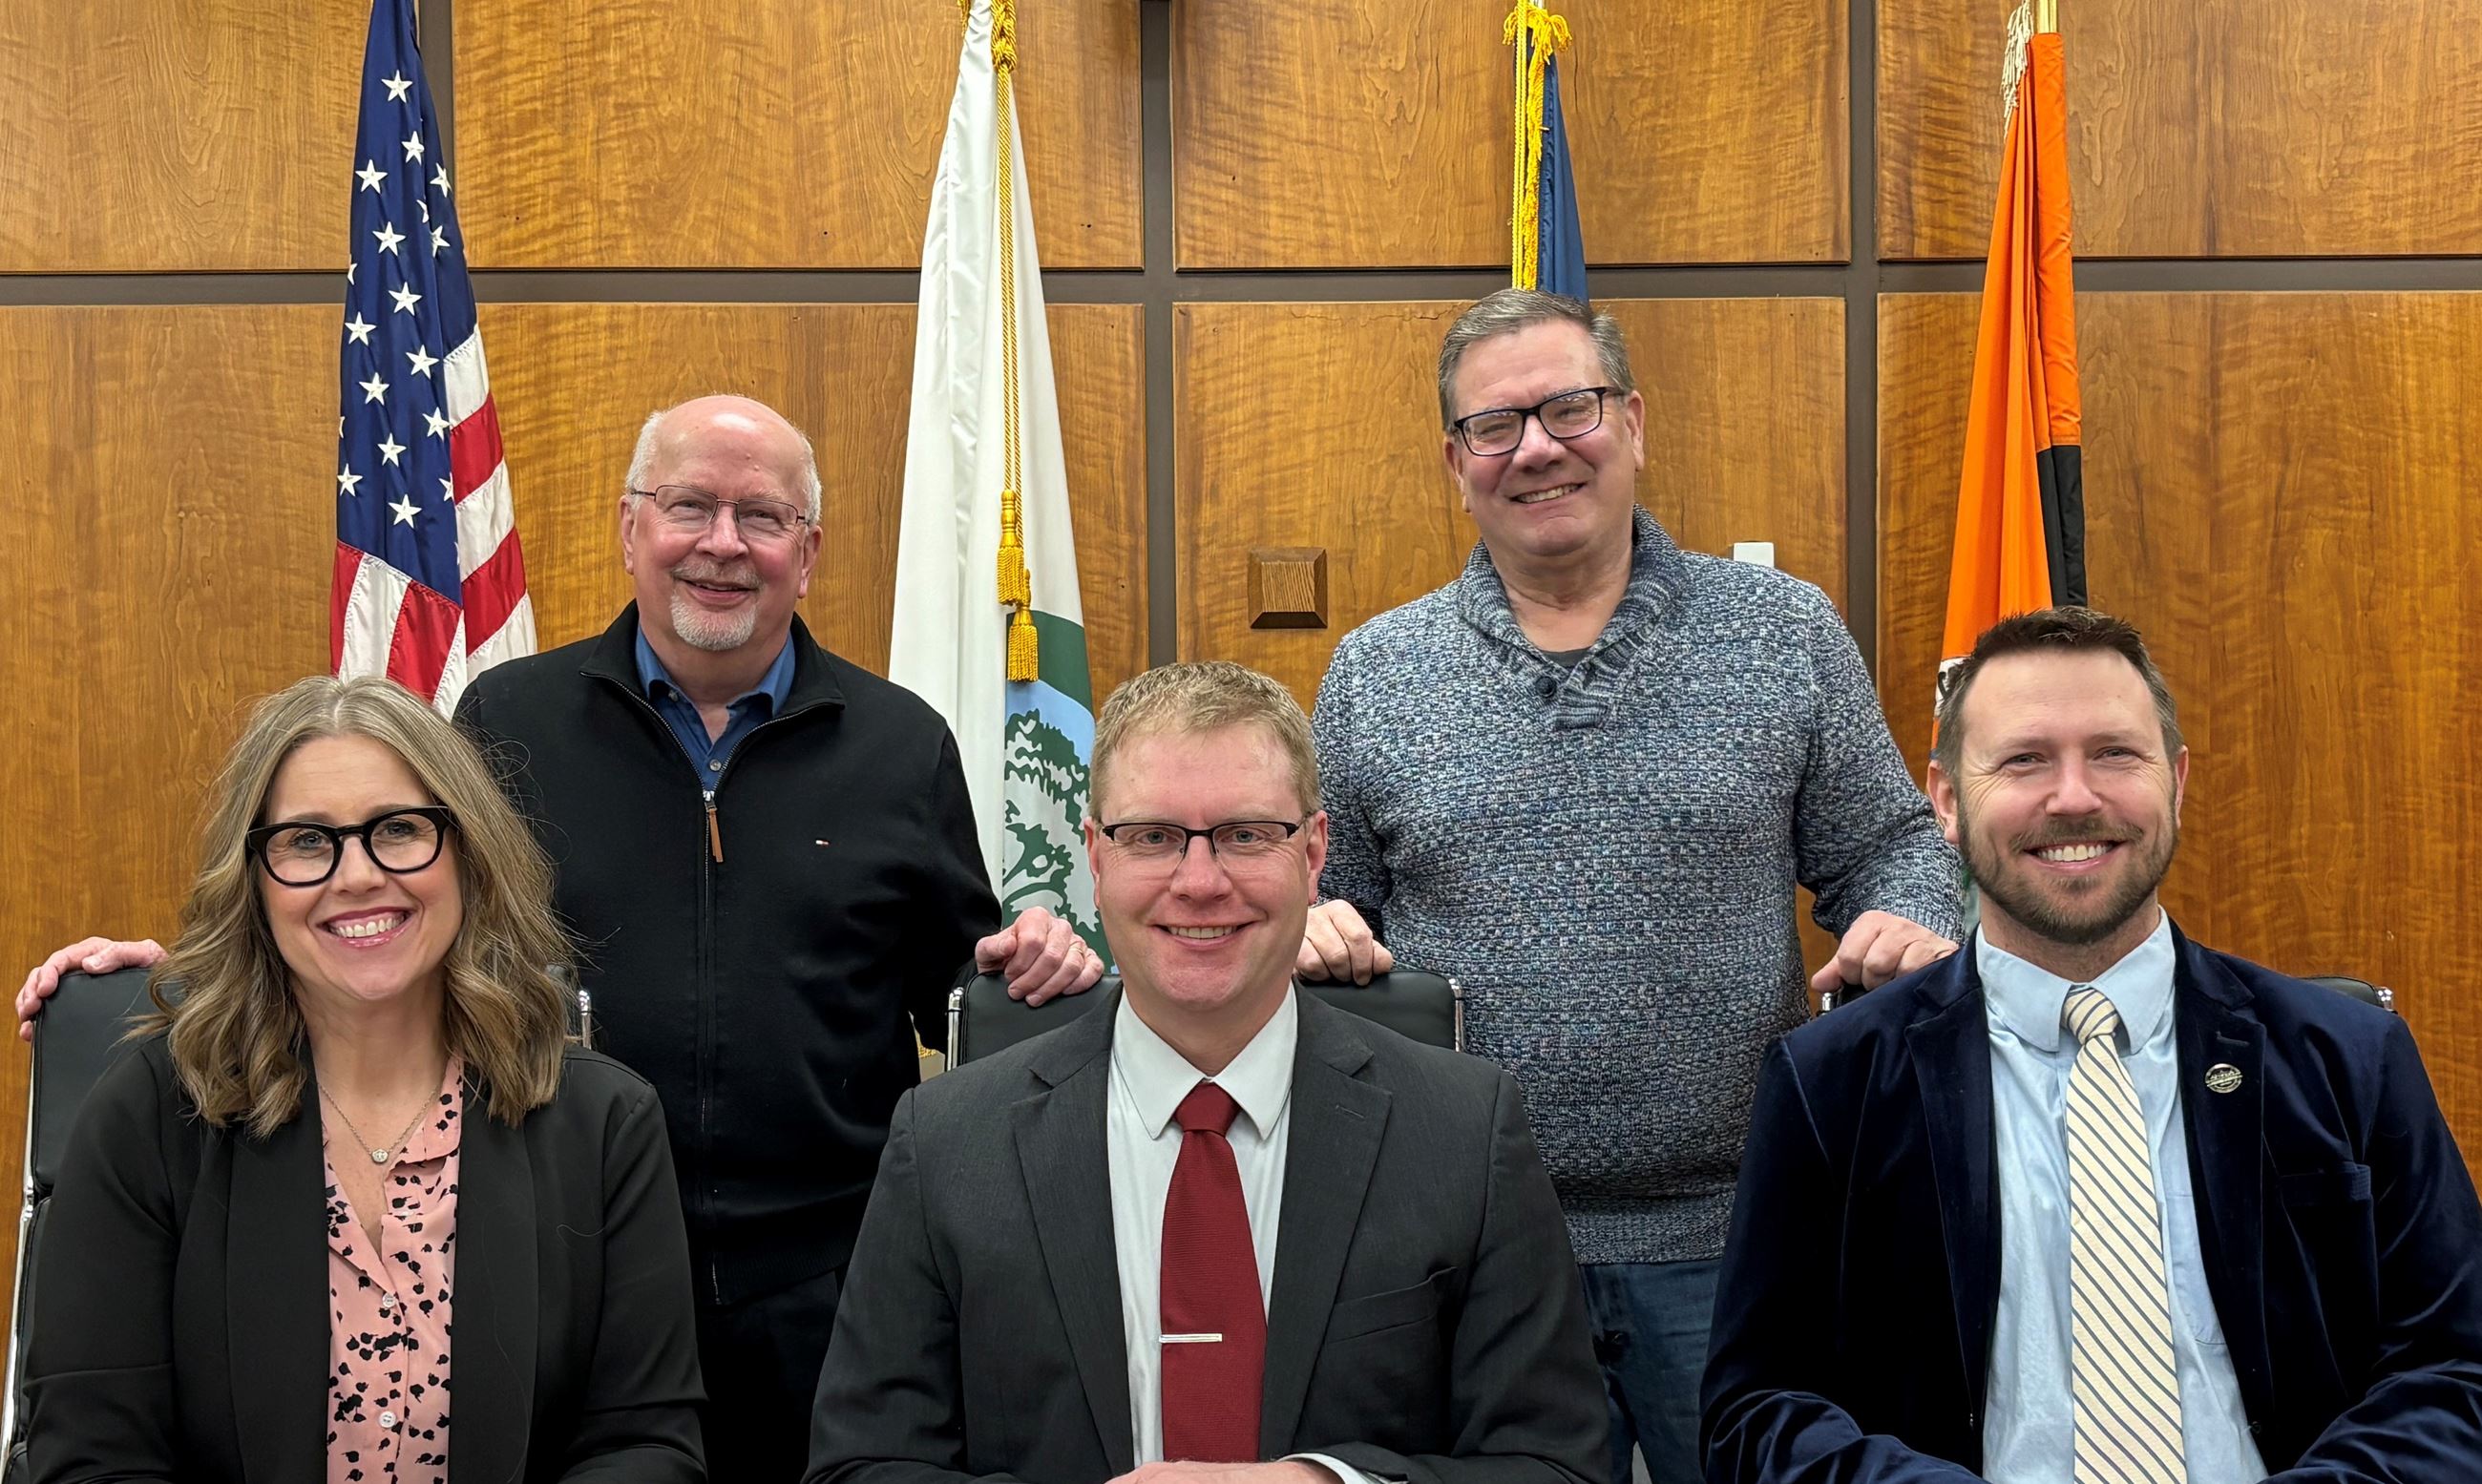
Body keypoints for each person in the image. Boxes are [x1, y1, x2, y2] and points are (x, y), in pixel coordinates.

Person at [17, 394, 1102, 1481]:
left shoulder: (899, 743)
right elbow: (380, 898)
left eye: (761, 516)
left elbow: (957, 992)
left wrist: (1047, 951)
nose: (722, 543)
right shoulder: (509, 720)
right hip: (548, 1280)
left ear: (806, 553)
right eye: (688, 506)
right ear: (632, 529)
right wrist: (176, 973)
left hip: (822, 1298)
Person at [1299, 287, 1961, 1483]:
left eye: (1570, 406)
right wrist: (1311, 922)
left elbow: (1893, 846)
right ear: (1457, 464)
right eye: (1494, 426)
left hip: (1738, 1236)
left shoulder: (1782, 632)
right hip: (1472, 1245)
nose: (1538, 446)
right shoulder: (1374, 670)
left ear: (1634, 422)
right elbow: (1318, 901)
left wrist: (1913, 911)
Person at [1702, 607, 2482, 1483]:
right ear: (1948, 800)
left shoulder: (2351, 1056)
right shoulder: (1831, 1082)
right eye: (2025, 759)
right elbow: (1759, 1410)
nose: (2074, 796)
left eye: (2115, 753)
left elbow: (2457, 1372)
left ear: (2176, 782)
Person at [807, 661, 1607, 1484]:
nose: (1199, 881)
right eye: (1152, 836)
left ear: (1315, 850)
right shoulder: (944, 1145)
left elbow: (1559, 1466)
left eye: (1246, 834)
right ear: (1093, 853)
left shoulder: (1465, 1132)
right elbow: (860, 1467)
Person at [24, 675, 703, 1482]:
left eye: (401, 828)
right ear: (255, 880)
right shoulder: (151, 1113)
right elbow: (91, 1455)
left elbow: (647, 1447)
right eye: (308, 840)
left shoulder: (605, 1124)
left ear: (468, 853)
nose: (356, 876)